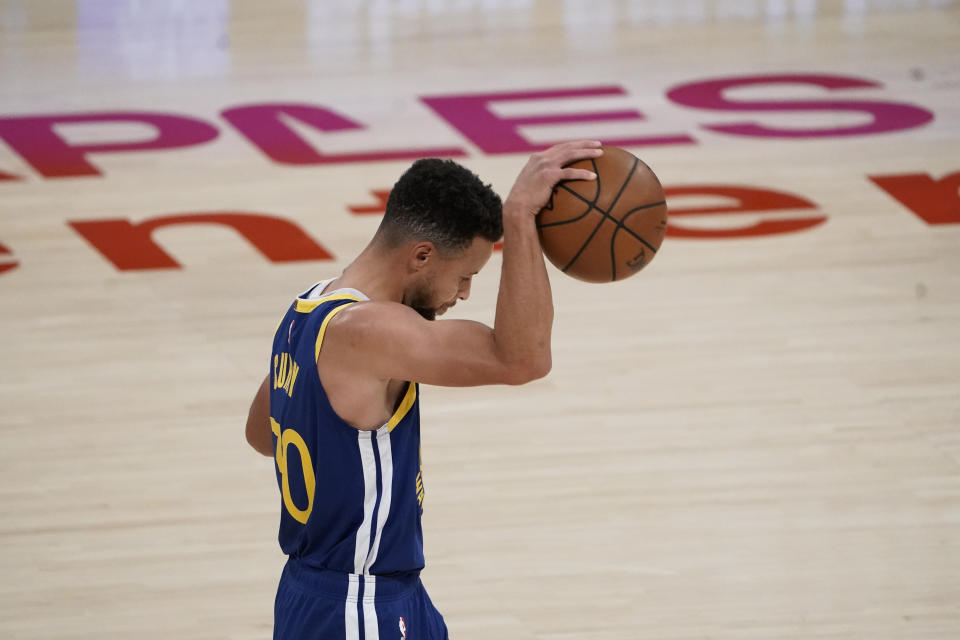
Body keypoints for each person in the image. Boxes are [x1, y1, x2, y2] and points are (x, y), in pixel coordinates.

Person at [245, 140, 603, 639]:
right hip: (358, 605)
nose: (463, 294)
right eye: (464, 276)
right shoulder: (371, 331)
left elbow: (263, 434)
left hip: (340, 591)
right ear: (421, 256)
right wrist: (520, 216)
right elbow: (523, 357)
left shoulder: (307, 310)